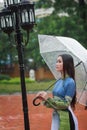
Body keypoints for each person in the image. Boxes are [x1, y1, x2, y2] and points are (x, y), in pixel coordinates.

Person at [35, 54, 78, 130]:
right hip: (56, 116)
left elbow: (65, 104)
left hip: (66, 119)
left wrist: (48, 99)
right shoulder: (59, 80)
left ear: (66, 64)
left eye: (59, 61)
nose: (57, 64)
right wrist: (44, 99)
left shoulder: (70, 82)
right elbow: (55, 101)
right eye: (57, 61)